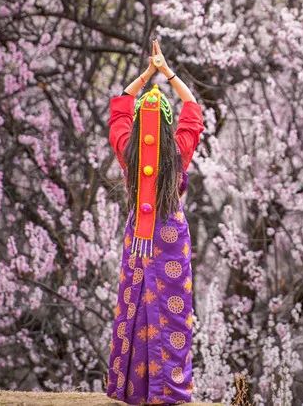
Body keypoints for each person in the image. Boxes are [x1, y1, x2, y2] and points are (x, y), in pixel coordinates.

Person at [105, 39, 205, 405]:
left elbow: (118, 108)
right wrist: (167, 72)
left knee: (136, 307)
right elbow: (192, 106)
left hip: (139, 235)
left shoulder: (128, 151)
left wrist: (145, 74)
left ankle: (132, 390)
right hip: (171, 237)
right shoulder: (178, 151)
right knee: (172, 312)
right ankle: (170, 392)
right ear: (166, 124)